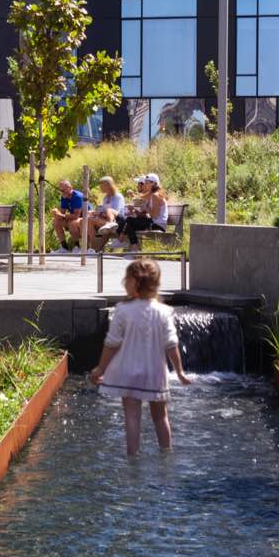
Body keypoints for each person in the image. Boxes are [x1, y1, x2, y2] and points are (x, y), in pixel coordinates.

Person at [88, 259, 191, 453]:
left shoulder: (123, 310)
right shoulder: (164, 312)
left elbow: (111, 343)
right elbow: (171, 345)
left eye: (126, 278)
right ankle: (166, 455)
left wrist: (101, 368)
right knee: (161, 417)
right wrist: (179, 372)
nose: (123, 282)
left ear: (135, 282)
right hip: (155, 373)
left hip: (127, 373)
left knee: (132, 417)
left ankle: (132, 457)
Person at [118, 173, 169, 248]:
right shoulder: (152, 194)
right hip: (153, 222)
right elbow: (141, 202)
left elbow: (154, 215)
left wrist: (145, 207)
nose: (145, 185)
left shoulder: (156, 195)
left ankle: (123, 241)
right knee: (129, 223)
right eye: (146, 183)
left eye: (147, 183)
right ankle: (133, 247)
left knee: (129, 221)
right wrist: (135, 210)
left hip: (158, 225)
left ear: (154, 183)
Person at [85, 176, 125, 250]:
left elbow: (118, 211)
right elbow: (103, 210)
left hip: (118, 221)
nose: (100, 188)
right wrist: (94, 213)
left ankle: (110, 224)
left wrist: (102, 213)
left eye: (101, 185)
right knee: (89, 219)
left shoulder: (118, 197)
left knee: (107, 211)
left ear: (108, 185)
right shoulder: (105, 197)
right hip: (107, 221)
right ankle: (94, 249)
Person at [50, 179, 87, 249]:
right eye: (60, 191)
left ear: (70, 188)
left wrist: (61, 215)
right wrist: (56, 213)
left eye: (63, 190)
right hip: (76, 218)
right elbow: (62, 213)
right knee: (56, 222)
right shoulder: (64, 197)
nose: (62, 193)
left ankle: (77, 247)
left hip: (85, 217)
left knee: (72, 223)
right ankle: (64, 247)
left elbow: (76, 216)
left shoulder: (77, 196)